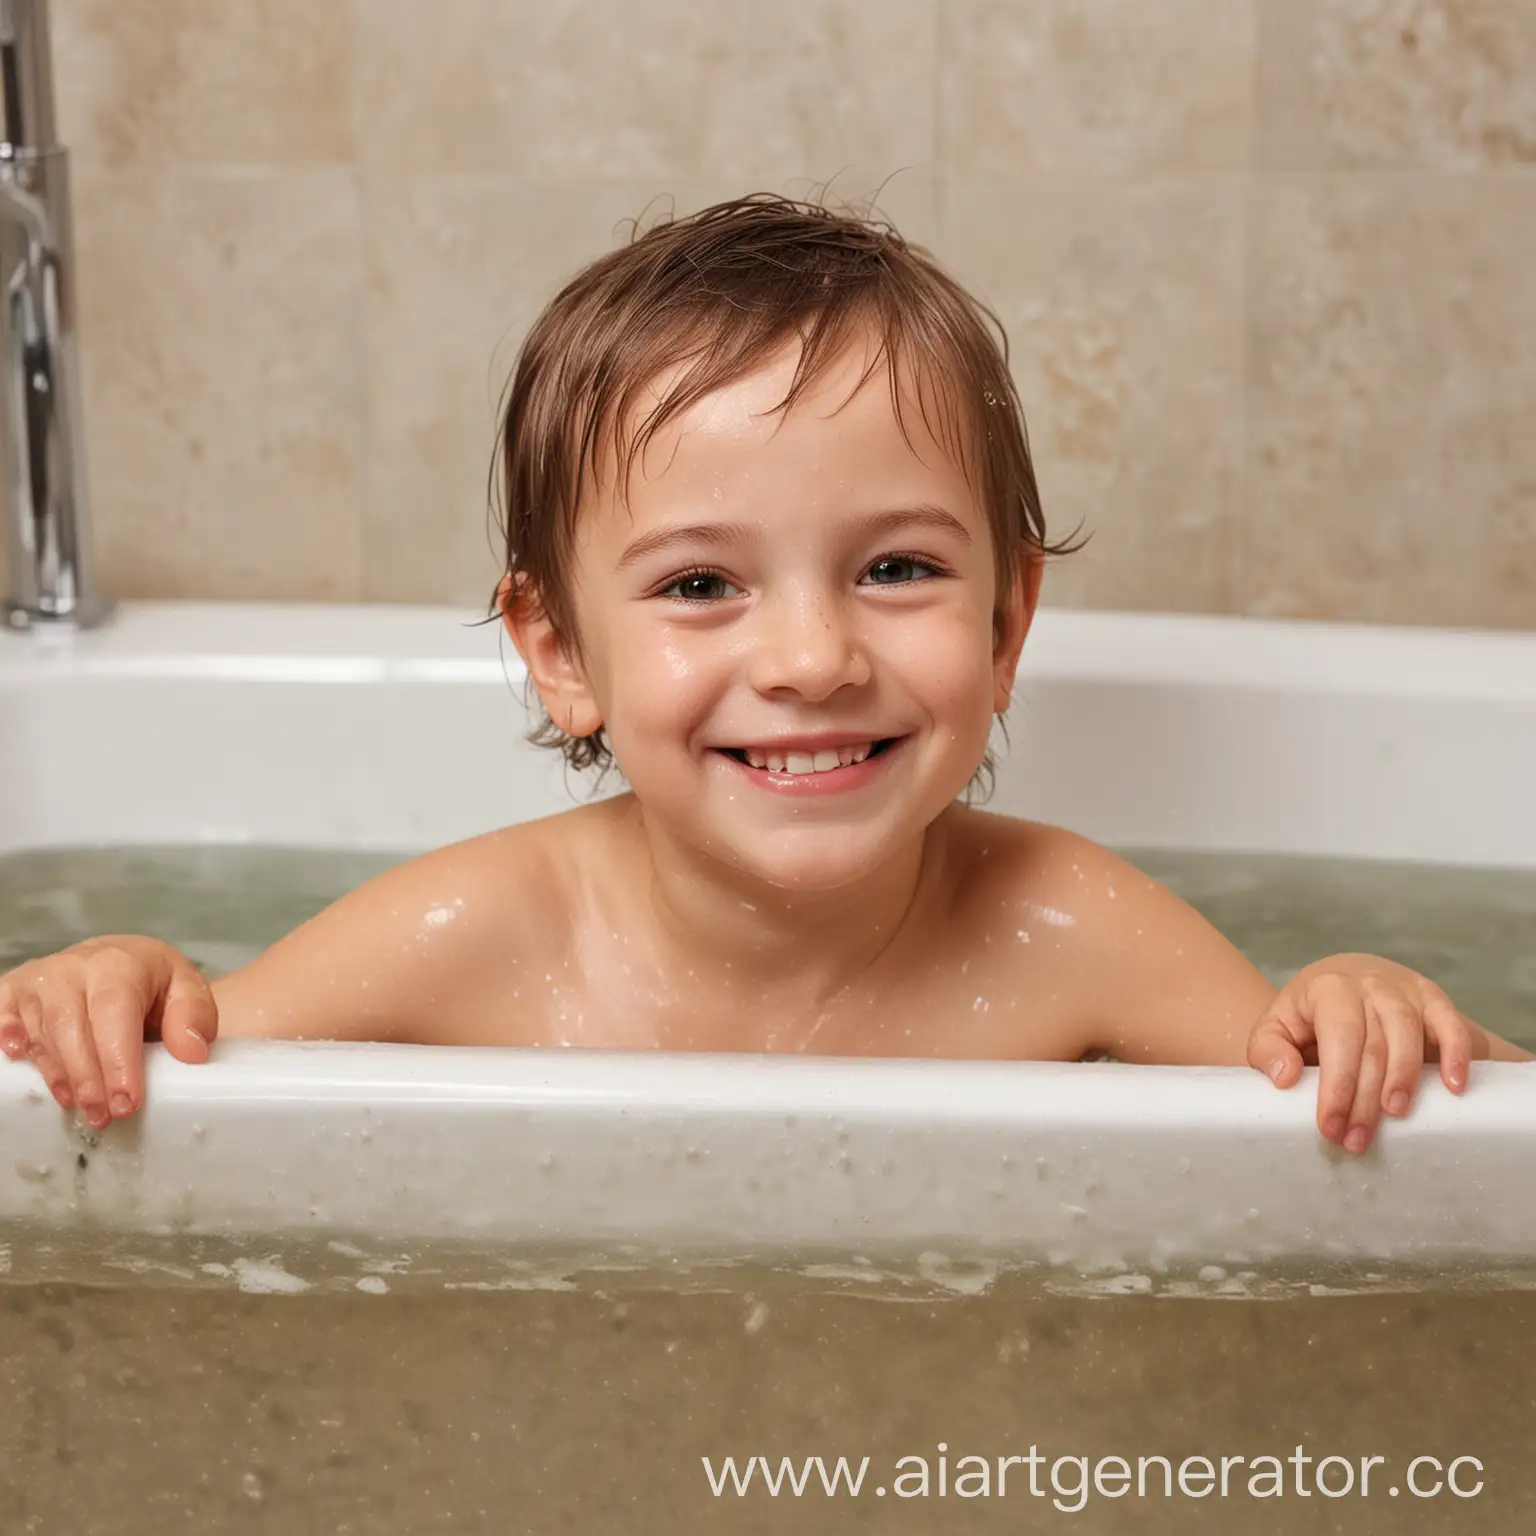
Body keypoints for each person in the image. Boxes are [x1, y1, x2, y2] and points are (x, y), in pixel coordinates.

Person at [1, 194, 1528, 1155]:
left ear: (1007, 629)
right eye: (701, 586)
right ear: (559, 655)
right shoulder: (481, 933)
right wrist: (122, 982)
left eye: (899, 569)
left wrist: (1366, 1007)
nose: (810, 659)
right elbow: (190, 1047)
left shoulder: (1072, 929)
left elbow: (1437, 1119)